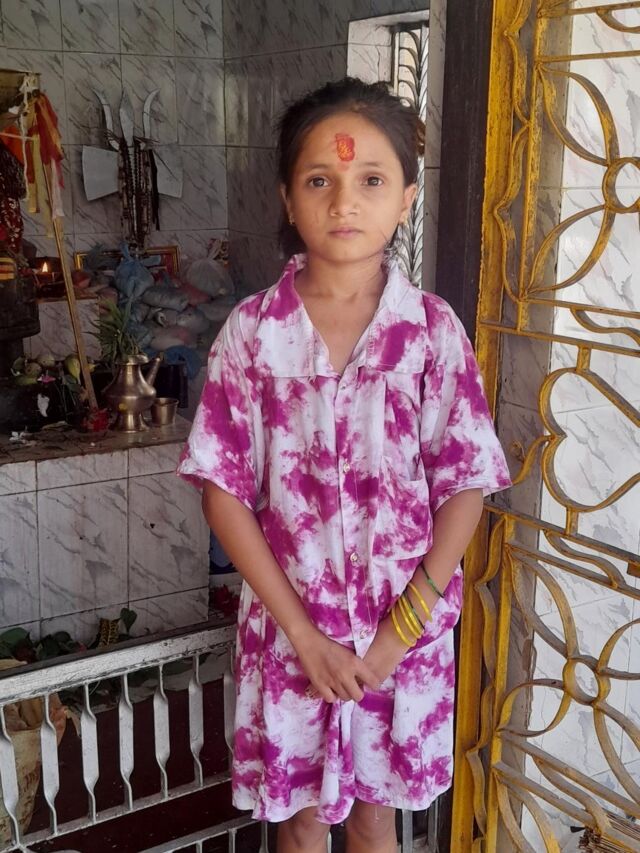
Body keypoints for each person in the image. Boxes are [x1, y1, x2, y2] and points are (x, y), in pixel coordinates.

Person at [177, 77, 511, 853]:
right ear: (288, 199)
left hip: (404, 637)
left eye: (371, 180)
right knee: (300, 820)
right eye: (320, 181)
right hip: (292, 635)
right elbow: (223, 490)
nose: (344, 202)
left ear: (406, 198)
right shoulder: (254, 334)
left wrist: (399, 631)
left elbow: (465, 484)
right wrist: (302, 634)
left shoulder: (430, 332)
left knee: (375, 817)